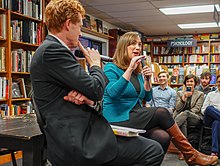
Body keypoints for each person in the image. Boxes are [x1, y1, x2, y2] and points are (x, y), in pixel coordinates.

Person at [30, 0, 165, 165]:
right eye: (79, 26)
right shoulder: (53, 51)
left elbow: (92, 95)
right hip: (79, 141)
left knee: (156, 141)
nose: (80, 34)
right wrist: (94, 64)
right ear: (68, 24)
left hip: (83, 131)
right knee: (153, 151)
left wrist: (89, 99)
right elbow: (96, 90)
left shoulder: (51, 51)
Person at [102, 31, 218, 166]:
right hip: (118, 117)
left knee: (163, 137)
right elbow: (113, 93)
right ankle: (191, 154)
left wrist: (147, 80)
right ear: (123, 46)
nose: (138, 47)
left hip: (135, 114)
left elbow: (147, 97)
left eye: (139, 44)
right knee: (162, 112)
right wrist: (129, 69)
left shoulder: (138, 71)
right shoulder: (111, 68)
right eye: (133, 43)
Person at [202, 74, 220, 156]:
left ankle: (214, 152)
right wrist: (214, 111)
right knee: (209, 108)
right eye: (219, 82)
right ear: (216, 83)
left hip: (217, 121)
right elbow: (203, 110)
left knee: (216, 123)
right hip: (209, 119)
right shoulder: (211, 94)